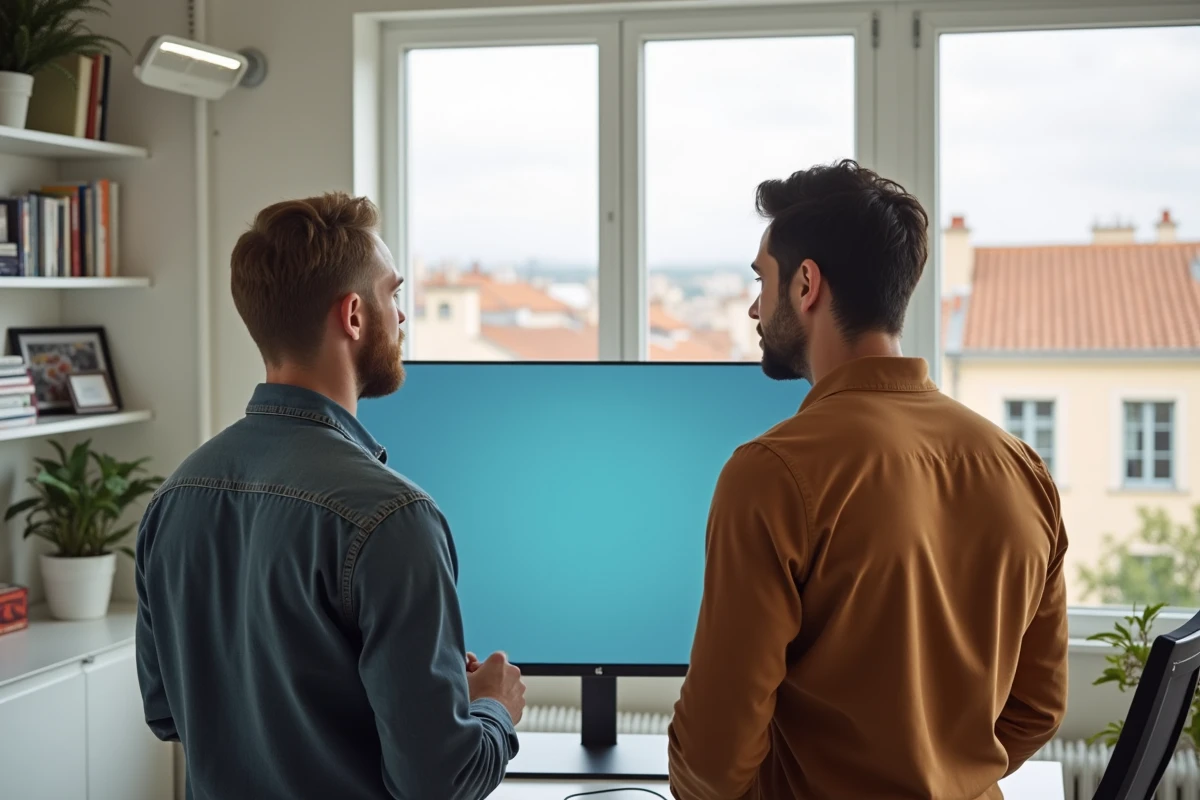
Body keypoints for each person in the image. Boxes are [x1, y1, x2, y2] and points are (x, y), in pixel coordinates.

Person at [667, 160, 1068, 800]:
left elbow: (714, 762)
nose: (752, 306)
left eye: (761, 281)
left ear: (806, 284)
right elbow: (1037, 709)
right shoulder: (1020, 467)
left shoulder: (770, 474)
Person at [134, 193, 525, 800]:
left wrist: (421, 701)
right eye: (393, 295)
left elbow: (168, 713)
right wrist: (493, 709)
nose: (400, 317)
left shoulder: (173, 500)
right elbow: (438, 784)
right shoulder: (394, 519)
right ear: (353, 315)